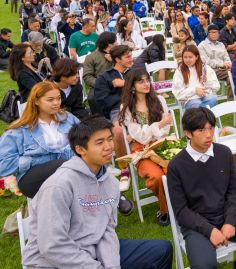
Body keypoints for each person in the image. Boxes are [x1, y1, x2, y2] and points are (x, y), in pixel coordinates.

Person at [20, 115, 173, 269]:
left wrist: (111, 264)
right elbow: (52, 246)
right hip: (52, 261)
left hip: (94, 248)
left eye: (110, 139)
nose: (108, 147)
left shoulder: (111, 183)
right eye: (99, 142)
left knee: (161, 250)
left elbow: (106, 230)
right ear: (80, 149)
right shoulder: (58, 186)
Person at [167, 107, 236, 269]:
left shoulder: (224, 153)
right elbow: (181, 210)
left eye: (211, 128)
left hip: (228, 214)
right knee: (204, 266)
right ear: (188, 133)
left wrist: (230, 221)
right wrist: (210, 230)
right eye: (201, 130)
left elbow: (234, 192)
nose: (208, 134)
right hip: (196, 224)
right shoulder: (176, 166)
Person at [0, 82, 80, 198]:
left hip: (68, 172)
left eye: (58, 98)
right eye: (50, 100)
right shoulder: (19, 130)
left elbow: (86, 138)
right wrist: (36, 160)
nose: (56, 103)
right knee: (64, 165)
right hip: (32, 178)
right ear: (36, 101)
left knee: (76, 169)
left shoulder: (68, 118)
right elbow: (4, 165)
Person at [119, 69, 174, 226]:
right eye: (141, 81)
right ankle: (166, 210)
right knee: (156, 177)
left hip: (162, 143)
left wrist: (153, 130)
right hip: (140, 150)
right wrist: (159, 124)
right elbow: (140, 136)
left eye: (147, 80)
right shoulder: (128, 107)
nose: (146, 84)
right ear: (132, 86)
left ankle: (180, 205)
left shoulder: (159, 101)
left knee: (172, 170)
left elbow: (166, 129)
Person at [94, 45, 134, 123]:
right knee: (119, 129)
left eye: (131, 56)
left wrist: (125, 83)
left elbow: (148, 88)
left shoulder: (135, 73)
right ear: (117, 59)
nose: (131, 59)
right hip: (118, 110)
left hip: (138, 106)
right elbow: (104, 101)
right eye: (127, 57)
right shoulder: (104, 78)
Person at [172, 44, 219, 110]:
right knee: (196, 104)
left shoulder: (205, 68)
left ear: (196, 57)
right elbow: (178, 93)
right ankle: (207, 118)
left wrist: (206, 82)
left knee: (212, 99)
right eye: (185, 57)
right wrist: (195, 90)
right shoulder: (180, 71)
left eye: (190, 57)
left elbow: (216, 87)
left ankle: (201, 118)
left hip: (206, 96)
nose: (187, 60)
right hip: (190, 99)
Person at [197, 24, 233, 99]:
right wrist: (222, 64)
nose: (214, 34)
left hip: (224, 69)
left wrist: (229, 64)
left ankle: (234, 98)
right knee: (232, 74)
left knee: (235, 72)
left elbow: (226, 57)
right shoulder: (202, 46)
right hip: (210, 70)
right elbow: (206, 62)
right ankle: (232, 100)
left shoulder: (221, 44)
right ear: (207, 33)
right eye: (211, 32)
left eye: (216, 32)